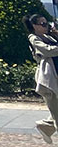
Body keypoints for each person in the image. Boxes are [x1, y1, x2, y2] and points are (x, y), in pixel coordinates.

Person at [26, 14, 58, 145]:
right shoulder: (33, 38)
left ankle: (44, 126)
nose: (46, 26)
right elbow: (47, 51)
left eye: (47, 23)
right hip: (49, 80)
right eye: (43, 24)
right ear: (34, 26)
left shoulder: (49, 36)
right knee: (57, 114)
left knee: (56, 111)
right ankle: (46, 126)